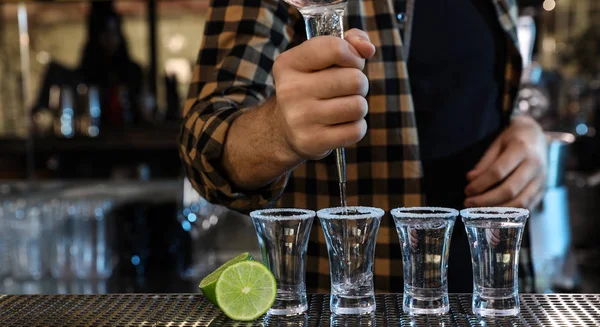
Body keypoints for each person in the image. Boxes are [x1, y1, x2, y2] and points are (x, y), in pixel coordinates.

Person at [179, 0, 548, 293]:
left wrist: (528, 128)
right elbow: (203, 144)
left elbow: (479, 91)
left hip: (493, 303)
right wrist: (277, 131)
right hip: (351, 315)